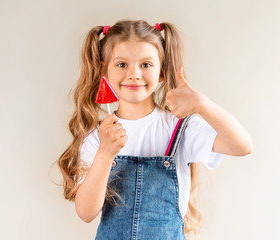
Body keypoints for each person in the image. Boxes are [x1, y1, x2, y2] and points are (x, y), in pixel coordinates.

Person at [57, 20, 253, 239]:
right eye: (122, 64)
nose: (134, 74)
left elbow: (243, 146)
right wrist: (105, 153)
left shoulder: (180, 128)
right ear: (104, 69)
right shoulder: (99, 136)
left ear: (161, 71)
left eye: (146, 65)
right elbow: (85, 213)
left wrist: (202, 105)